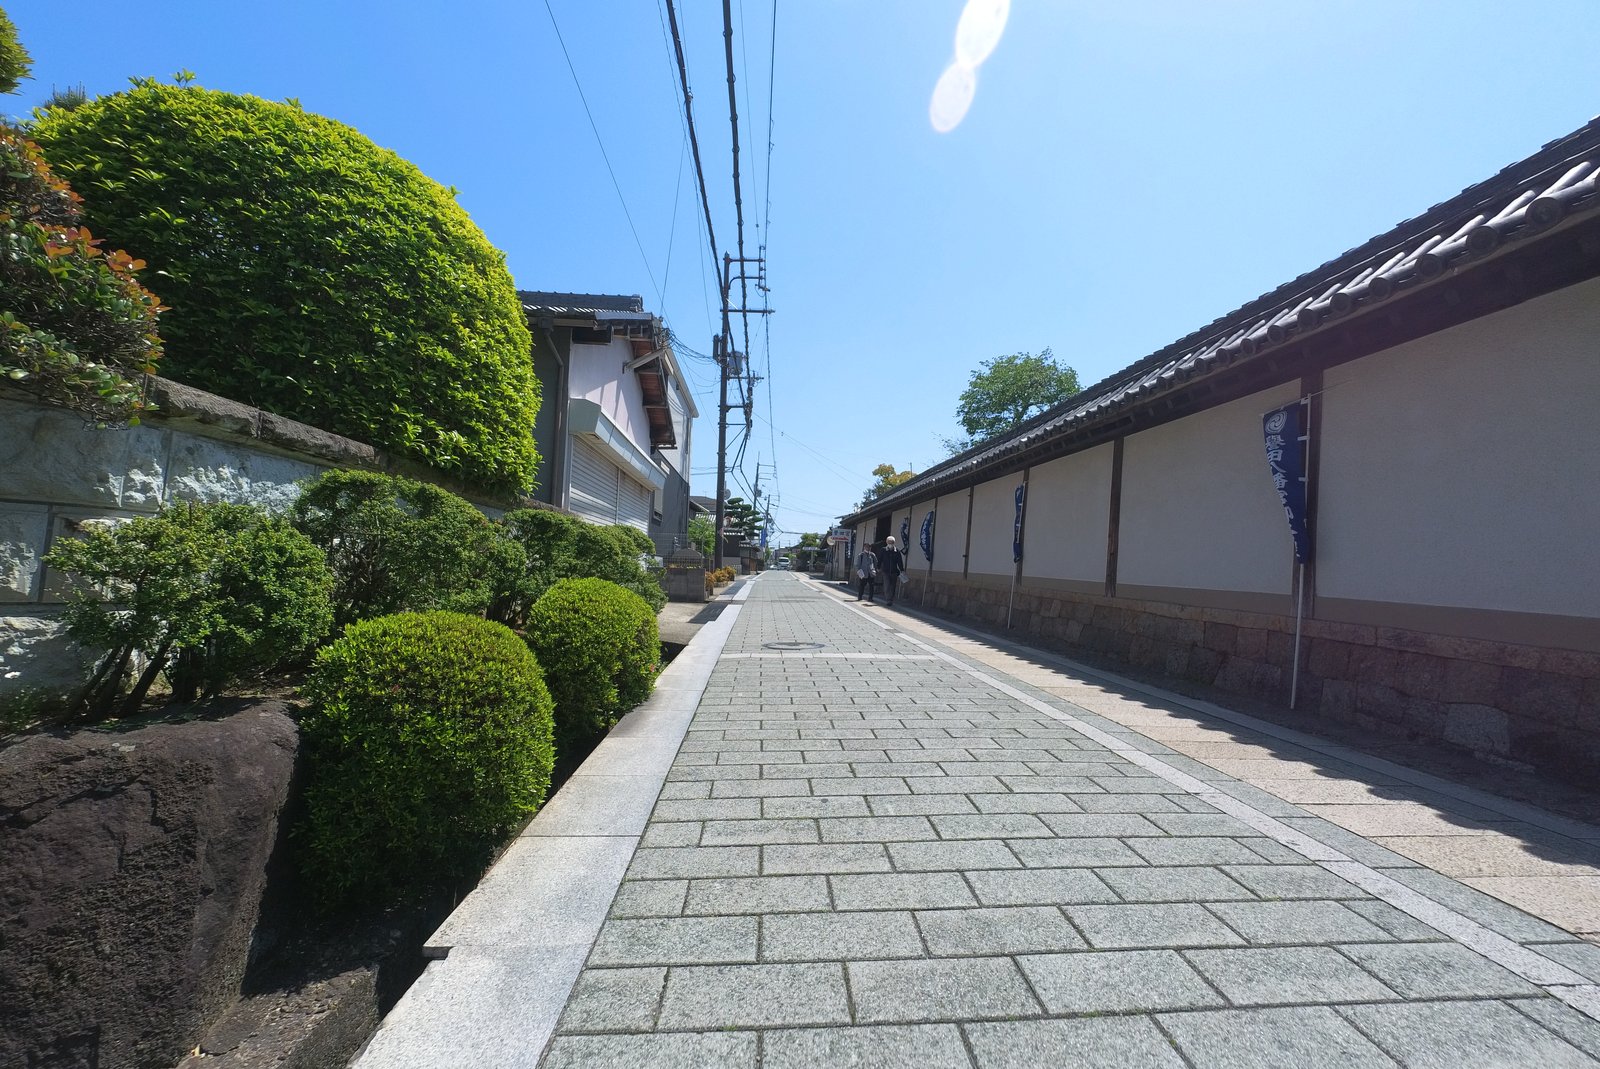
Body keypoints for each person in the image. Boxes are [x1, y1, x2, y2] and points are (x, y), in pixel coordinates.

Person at [878, 535, 906, 606]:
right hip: (885, 571)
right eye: (889, 542)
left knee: (893, 586)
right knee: (887, 585)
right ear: (887, 542)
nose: (890, 544)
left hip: (894, 572)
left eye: (892, 542)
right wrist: (878, 567)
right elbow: (880, 559)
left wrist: (902, 570)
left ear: (894, 543)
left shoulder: (897, 551)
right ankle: (888, 600)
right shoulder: (883, 550)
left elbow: (900, 561)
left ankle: (891, 599)